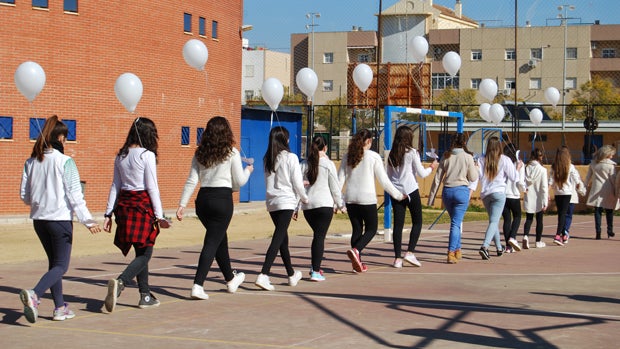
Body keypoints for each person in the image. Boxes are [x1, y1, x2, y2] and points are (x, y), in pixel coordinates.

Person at [19, 115, 101, 324]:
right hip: (59, 220)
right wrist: (88, 220)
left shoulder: (31, 161)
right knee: (61, 266)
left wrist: (41, 201)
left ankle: (59, 307)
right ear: (60, 137)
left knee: (54, 264)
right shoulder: (66, 161)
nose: (66, 143)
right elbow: (75, 194)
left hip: (39, 221)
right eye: (65, 139)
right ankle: (35, 294)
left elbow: (25, 196)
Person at [176, 116, 253, 299]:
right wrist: (248, 171)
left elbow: (192, 180)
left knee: (219, 240)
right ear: (226, 132)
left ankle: (230, 279)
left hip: (203, 201)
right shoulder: (232, 152)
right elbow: (240, 181)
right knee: (212, 242)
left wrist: (182, 204)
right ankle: (198, 285)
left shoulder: (200, 153)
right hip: (222, 200)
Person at [103, 117, 171, 312]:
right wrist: (160, 217)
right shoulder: (146, 155)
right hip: (142, 206)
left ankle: (145, 295)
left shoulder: (121, 155)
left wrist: (108, 213)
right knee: (146, 253)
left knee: (141, 251)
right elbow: (152, 187)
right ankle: (121, 282)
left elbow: (115, 185)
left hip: (124, 207)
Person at [338, 129, 407, 273]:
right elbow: (384, 181)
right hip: (367, 199)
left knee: (357, 229)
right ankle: (356, 251)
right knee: (371, 229)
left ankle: (357, 262)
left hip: (350, 199)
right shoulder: (373, 156)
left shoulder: (347, 156)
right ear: (368, 141)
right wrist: (399, 195)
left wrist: (338, 201)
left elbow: (339, 181)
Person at [255, 127, 308, 291]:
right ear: (284, 140)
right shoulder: (291, 157)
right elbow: (297, 182)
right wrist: (305, 198)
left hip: (272, 202)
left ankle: (291, 275)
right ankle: (264, 274)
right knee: (278, 238)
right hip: (285, 201)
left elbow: (267, 183)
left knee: (282, 239)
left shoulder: (267, 159)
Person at [387, 125, 437, 268]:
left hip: (396, 192)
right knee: (417, 221)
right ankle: (410, 252)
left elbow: (389, 176)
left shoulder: (392, 153)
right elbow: (421, 173)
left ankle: (397, 258)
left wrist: (394, 191)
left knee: (398, 225)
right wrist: (432, 167)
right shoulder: (412, 152)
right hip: (411, 190)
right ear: (408, 138)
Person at [298, 135, 345, 281]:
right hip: (324, 205)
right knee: (319, 237)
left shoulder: (304, 164)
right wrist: (340, 204)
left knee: (317, 235)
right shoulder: (328, 164)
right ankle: (316, 271)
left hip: (308, 206)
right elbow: (335, 187)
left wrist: (296, 207)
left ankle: (315, 267)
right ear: (325, 148)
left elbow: (298, 186)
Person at [428, 133, 478, 264]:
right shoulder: (468, 157)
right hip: (462, 191)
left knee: (455, 221)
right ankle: (451, 252)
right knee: (456, 223)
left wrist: (431, 198)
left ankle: (457, 249)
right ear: (464, 143)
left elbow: (437, 178)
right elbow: (473, 177)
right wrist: (476, 168)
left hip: (448, 191)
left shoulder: (446, 156)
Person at [474, 137, 521, 260]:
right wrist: (518, 169)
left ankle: (499, 247)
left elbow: (478, 176)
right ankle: (485, 246)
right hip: (499, 193)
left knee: (493, 221)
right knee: (494, 222)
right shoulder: (505, 160)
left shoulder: (481, 159)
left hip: (486, 194)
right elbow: (514, 178)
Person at [549, 146, 583, 246]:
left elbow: (550, 181)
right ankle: (558, 235)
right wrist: (579, 186)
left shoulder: (554, 166)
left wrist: (547, 191)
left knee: (561, 214)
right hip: (567, 193)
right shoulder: (570, 166)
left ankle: (563, 234)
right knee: (563, 214)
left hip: (558, 193)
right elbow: (576, 179)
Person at [585, 145, 617, 240]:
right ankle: (609, 230)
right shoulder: (610, 165)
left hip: (596, 188)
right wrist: (616, 190)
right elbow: (613, 179)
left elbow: (588, 177)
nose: (612, 156)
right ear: (607, 154)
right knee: (609, 211)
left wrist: (584, 186)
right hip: (608, 189)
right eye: (611, 154)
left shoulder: (593, 163)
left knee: (597, 211)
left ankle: (598, 232)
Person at [501, 145, 526, 253]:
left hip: (503, 194)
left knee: (507, 220)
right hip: (514, 195)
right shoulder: (519, 164)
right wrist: (524, 189)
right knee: (517, 216)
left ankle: (508, 246)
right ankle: (512, 237)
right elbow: (520, 181)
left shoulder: (503, 163)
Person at [522, 148, 549, 249]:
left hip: (529, 195)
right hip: (538, 197)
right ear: (540, 157)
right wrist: (545, 201)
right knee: (539, 220)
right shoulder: (542, 170)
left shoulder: (526, 167)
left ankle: (525, 236)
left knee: (529, 219)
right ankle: (538, 241)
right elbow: (544, 187)